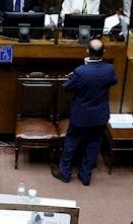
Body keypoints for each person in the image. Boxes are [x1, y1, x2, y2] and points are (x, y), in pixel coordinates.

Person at [54, 39, 118, 187]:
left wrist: (80, 70)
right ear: (104, 53)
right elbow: (112, 81)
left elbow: (67, 87)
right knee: (93, 145)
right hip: (99, 116)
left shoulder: (80, 71)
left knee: (71, 144)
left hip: (81, 116)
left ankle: (65, 173)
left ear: (87, 51)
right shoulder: (109, 69)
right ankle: (85, 176)